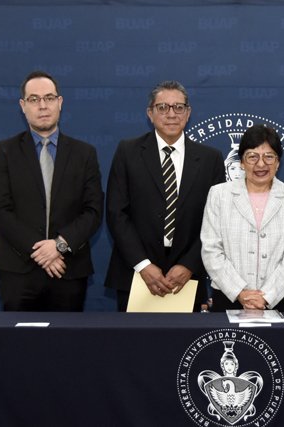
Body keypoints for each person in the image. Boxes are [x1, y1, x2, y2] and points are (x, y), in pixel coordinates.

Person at [0, 70, 103, 311]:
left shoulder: (84, 153)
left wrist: (59, 245)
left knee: (67, 336)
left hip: (68, 269)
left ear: (60, 102)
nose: (42, 106)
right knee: (17, 336)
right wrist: (40, 250)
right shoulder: (5, 151)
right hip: (17, 270)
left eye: (49, 98)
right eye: (34, 99)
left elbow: (93, 211)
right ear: (23, 106)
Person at [105, 80, 225, 312]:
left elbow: (216, 221)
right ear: (150, 113)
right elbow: (116, 213)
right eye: (162, 107)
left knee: (185, 337)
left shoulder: (210, 159)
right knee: (133, 337)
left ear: (188, 113)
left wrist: (189, 265)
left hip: (187, 278)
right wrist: (143, 265)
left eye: (178, 107)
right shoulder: (128, 152)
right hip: (136, 274)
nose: (171, 114)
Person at [201, 124, 284, 312]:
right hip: (228, 296)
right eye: (252, 156)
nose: (261, 164)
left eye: (269, 156)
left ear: (278, 162)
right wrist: (240, 292)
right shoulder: (219, 195)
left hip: (279, 298)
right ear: (241, 162)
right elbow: (211, 249)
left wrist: (267, 296)